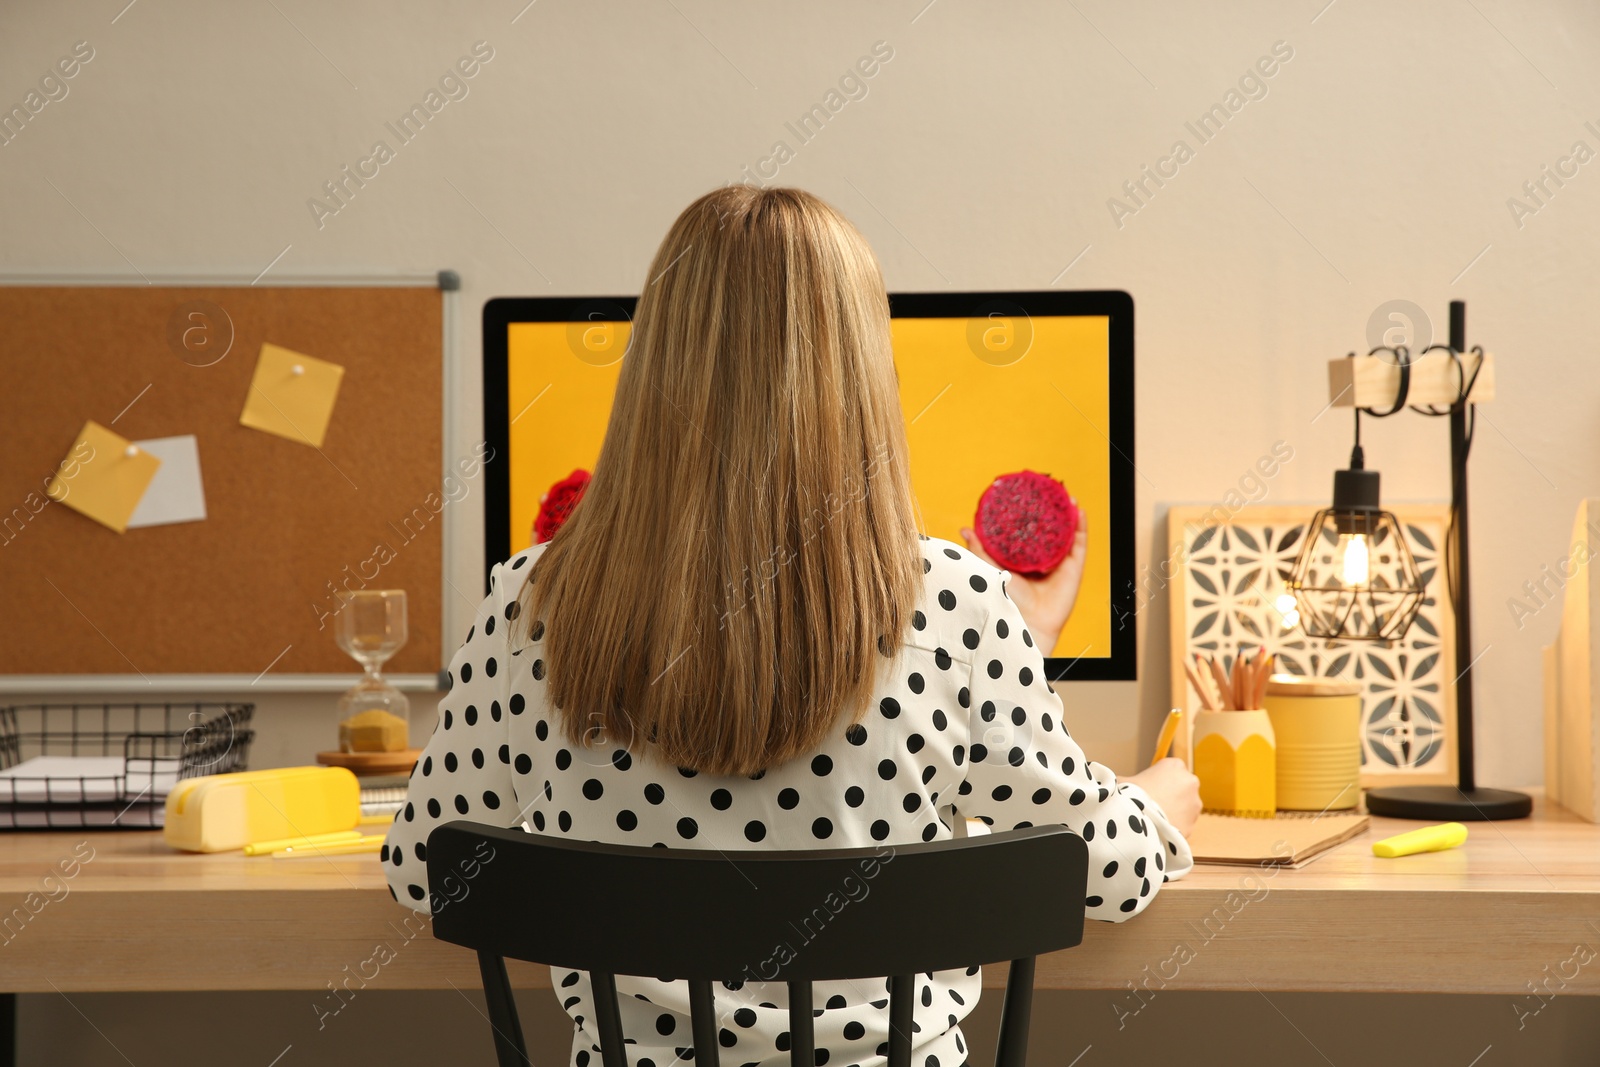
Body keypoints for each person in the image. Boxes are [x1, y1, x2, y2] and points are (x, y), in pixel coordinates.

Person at [384, 185, 1200, 1067]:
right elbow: (1097, 869)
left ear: (651, 369)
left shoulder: (525, 608)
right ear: (864, 373)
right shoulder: (959, 604)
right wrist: (1154, 804)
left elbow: (425, 865)